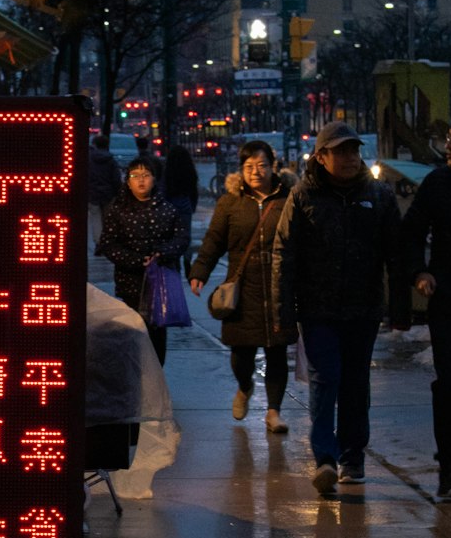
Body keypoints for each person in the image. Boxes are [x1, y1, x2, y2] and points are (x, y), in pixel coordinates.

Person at [272, 121, 410, 495]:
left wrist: (400, 310)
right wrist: (283, 317)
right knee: (324, 379)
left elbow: (396, 255)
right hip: (317, 311)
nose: (350, 158)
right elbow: (284, 256)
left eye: (353, 150)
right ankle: (325, 459)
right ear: (321, 156)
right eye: (341, 151)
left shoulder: (378, 196)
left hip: (363, 310)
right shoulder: (302, 197)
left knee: (354, 384)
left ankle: (353, 456)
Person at [188, 139, 296, 433]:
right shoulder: (230, 203)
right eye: (249, 166)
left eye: (262, 165)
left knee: (277, 351)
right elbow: (214, 241)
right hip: (242, 289)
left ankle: (274, 412)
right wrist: (200, 271)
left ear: (273, 167)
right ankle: (244, 386)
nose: (256, 172)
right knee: (241, 354)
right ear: (241, 170)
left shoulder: (290, 199)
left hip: (278, 288)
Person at [401, 125, 451, 499]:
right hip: (448, 294)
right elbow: (412, 232)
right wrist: (420, 271)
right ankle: (450, 466)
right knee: (450, 382)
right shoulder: (438, 184)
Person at [97, 157, 189, 365]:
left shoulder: (167, 209)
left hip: (160, 283)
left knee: (158, 334)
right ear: (127, 181)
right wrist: (135, 260)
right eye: (135, 176)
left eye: (146, 175)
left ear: (154, 179)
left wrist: (163, 254)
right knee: (134, 332)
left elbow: (182, 238)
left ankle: (156, 375)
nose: (141, 181)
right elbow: (108, 244)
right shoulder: (117, 210)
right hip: (130, 283)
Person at [161, 144, 199, 276]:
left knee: (172, 236)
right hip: (185, 205)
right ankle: (187, 259)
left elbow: (163, 190)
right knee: (186, 235)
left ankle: (175, 262)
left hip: (171, 205)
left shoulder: (168, 172)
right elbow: (194, 191)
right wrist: (192, 206)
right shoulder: (190, 171)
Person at [88, 133, 124, 248]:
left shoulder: (89, 159)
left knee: (95, 218)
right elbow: (116, 179)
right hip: (108, 194)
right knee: (107, 219)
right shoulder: (111, 160)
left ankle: (98, 241)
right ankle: (107, 241)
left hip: (93, 193)